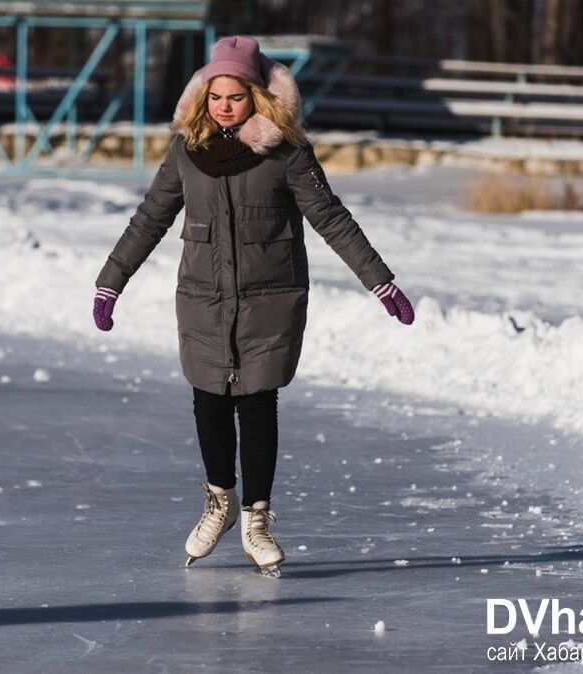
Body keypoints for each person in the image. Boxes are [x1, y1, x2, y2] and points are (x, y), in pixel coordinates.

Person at [92, 36, 415, 576]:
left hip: (271, 299)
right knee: (210, 402)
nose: (224, 105)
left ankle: (256, 519)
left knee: (258, 405)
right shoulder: (186, 151)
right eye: (216, 95)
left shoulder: (286, 152)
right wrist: (111, 282)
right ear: (202, 97)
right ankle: (218, 501)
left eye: (235, 96)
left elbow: (331, 218)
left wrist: (381, 283)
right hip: (203, 298)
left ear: (256, 98)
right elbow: (150, 218)